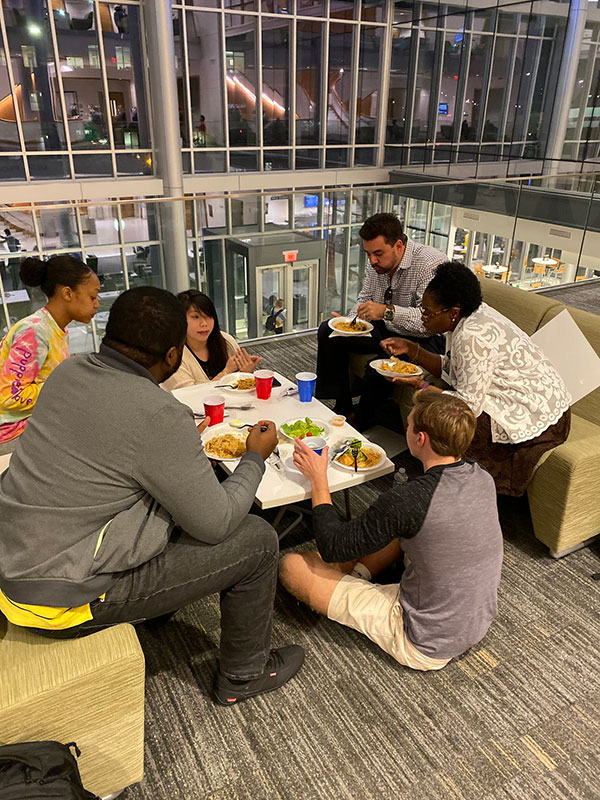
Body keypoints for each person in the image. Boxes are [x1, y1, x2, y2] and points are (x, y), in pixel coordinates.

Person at [0, 286, 304, 705]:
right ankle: (244, 674)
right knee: (256, 540)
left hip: (14, 557)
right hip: (58, 596)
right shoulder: (159, 412)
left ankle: (158, 610)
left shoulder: (68, 373)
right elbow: (215, 523)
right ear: (172, 355)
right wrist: (254, 457)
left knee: (172, 500)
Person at [279, 390, 503, 670]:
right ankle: (357, 575)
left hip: (423, 640)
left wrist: (318, 479)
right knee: (406, 530)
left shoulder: (408, 501)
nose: (406, 427)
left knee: (293, 566)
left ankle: (354, 580)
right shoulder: (481, 476)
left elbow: (331, 545)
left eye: (408, 424)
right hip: (475, 622)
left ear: (421, 438)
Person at [381, 261, 571, 496]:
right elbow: (454, 368)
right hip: (524, 394)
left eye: (428, 313)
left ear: (453, 313)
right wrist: (413, 350)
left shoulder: (472, 336)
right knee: (436, 404)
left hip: (537, 412)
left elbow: (468, 406)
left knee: (450, 421)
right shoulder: (469, 316)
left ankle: (458, 490)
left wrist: (422, 385)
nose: (423, 319)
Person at [315, 213, 447, 421]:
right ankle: (343, 406)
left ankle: (364, 419)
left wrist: (386, 311)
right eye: (368, 254)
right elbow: (365, 298)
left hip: (422, 339)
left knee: (376, 372)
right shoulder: (375, 262)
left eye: (378, 254)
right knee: (328, 330)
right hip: (386, 328)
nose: (372, 260)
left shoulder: (430, 264)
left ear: (399, 246)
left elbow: (429, 321)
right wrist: (349, 322)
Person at [0, 255, 99, 451]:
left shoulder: (56, 329)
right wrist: (63, 385)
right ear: (68, 293)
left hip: (34, 425)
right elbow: (9, 396)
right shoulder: (35, 331)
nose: (96, 304)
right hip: (12, 434)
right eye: (92, 297)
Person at [161, 290, 262, 392]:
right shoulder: (172, 355)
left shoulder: (226, 340)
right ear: (180, 319)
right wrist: (226, 372)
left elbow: (237, 386)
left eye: (208, 316)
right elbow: (190, 397)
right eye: (196, 317)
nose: (204, 323)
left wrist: (245, 372)